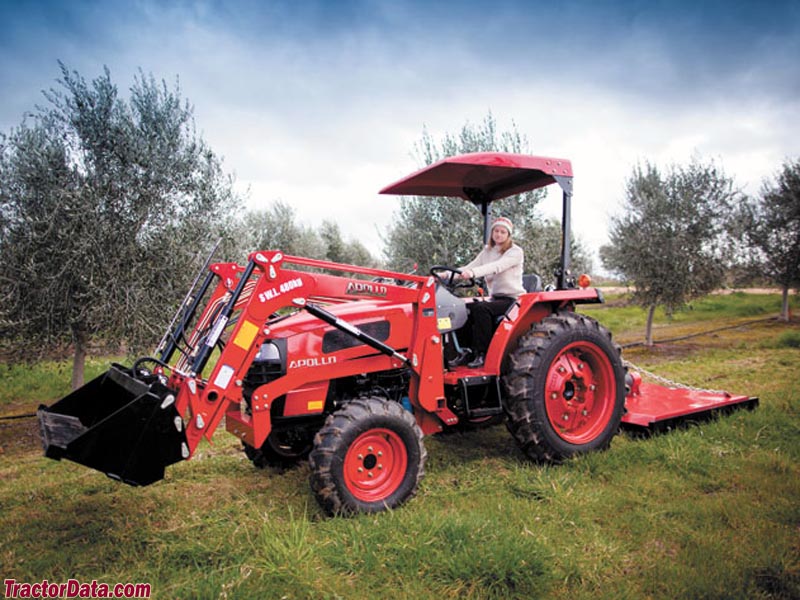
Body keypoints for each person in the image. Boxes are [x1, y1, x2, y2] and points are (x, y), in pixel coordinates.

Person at [453, 216, 524, 368]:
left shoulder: (515, 252)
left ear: (508, 235)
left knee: (481, 309)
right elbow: (469, 266)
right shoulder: (487, 251)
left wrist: (472, 273)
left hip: (513, 300)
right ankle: (466, 351)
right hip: (496, 298)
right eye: (496, 231)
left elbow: (496, 267)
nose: (499, 234)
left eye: (503, 232)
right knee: (462, 308)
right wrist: (445, 274)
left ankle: (482, 353)